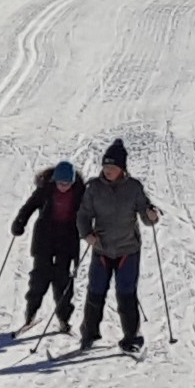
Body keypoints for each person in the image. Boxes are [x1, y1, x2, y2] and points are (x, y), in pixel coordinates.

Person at [73, 138, 161, 355]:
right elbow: (83, 215)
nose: (108, 170)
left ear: (122, 168)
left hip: (128, 250)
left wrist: (152, 216)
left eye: (112, 167)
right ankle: (89, 334)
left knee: (126, 295)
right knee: (95, 293)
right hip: (102, 248)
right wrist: (87, 235)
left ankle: (131, 337)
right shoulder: (93, 187)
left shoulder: (134, 188)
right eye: (105, 166)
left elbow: (147, 216)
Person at [7, 160, 84, 332]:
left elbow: (90, 211)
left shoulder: (80, 192)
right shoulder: (45, 190)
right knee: (39, 278)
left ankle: (64, 318)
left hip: (67, 240)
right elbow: (29, 206)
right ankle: (31, 313)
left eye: (67, 183)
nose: (64, 186)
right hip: (45, 239)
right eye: (60, 183)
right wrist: (20, 222)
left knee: (63, 281)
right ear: (54, 180)